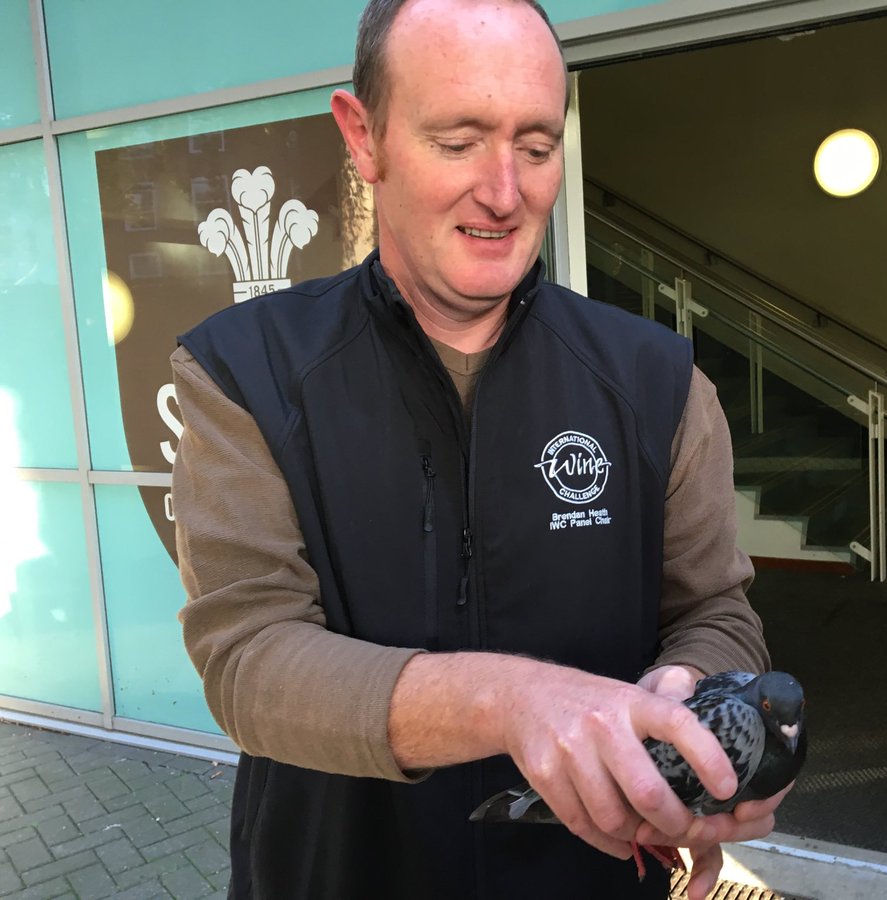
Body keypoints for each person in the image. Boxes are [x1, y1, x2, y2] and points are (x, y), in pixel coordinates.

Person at [171, 0, 789, 897]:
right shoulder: (244, 372)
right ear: (364, 138)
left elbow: (719, 615)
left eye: (536, 147)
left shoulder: (659, 381)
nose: (505, 192)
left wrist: (695, 713)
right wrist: (517, 702)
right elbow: (249, 660)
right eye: (459, 142)